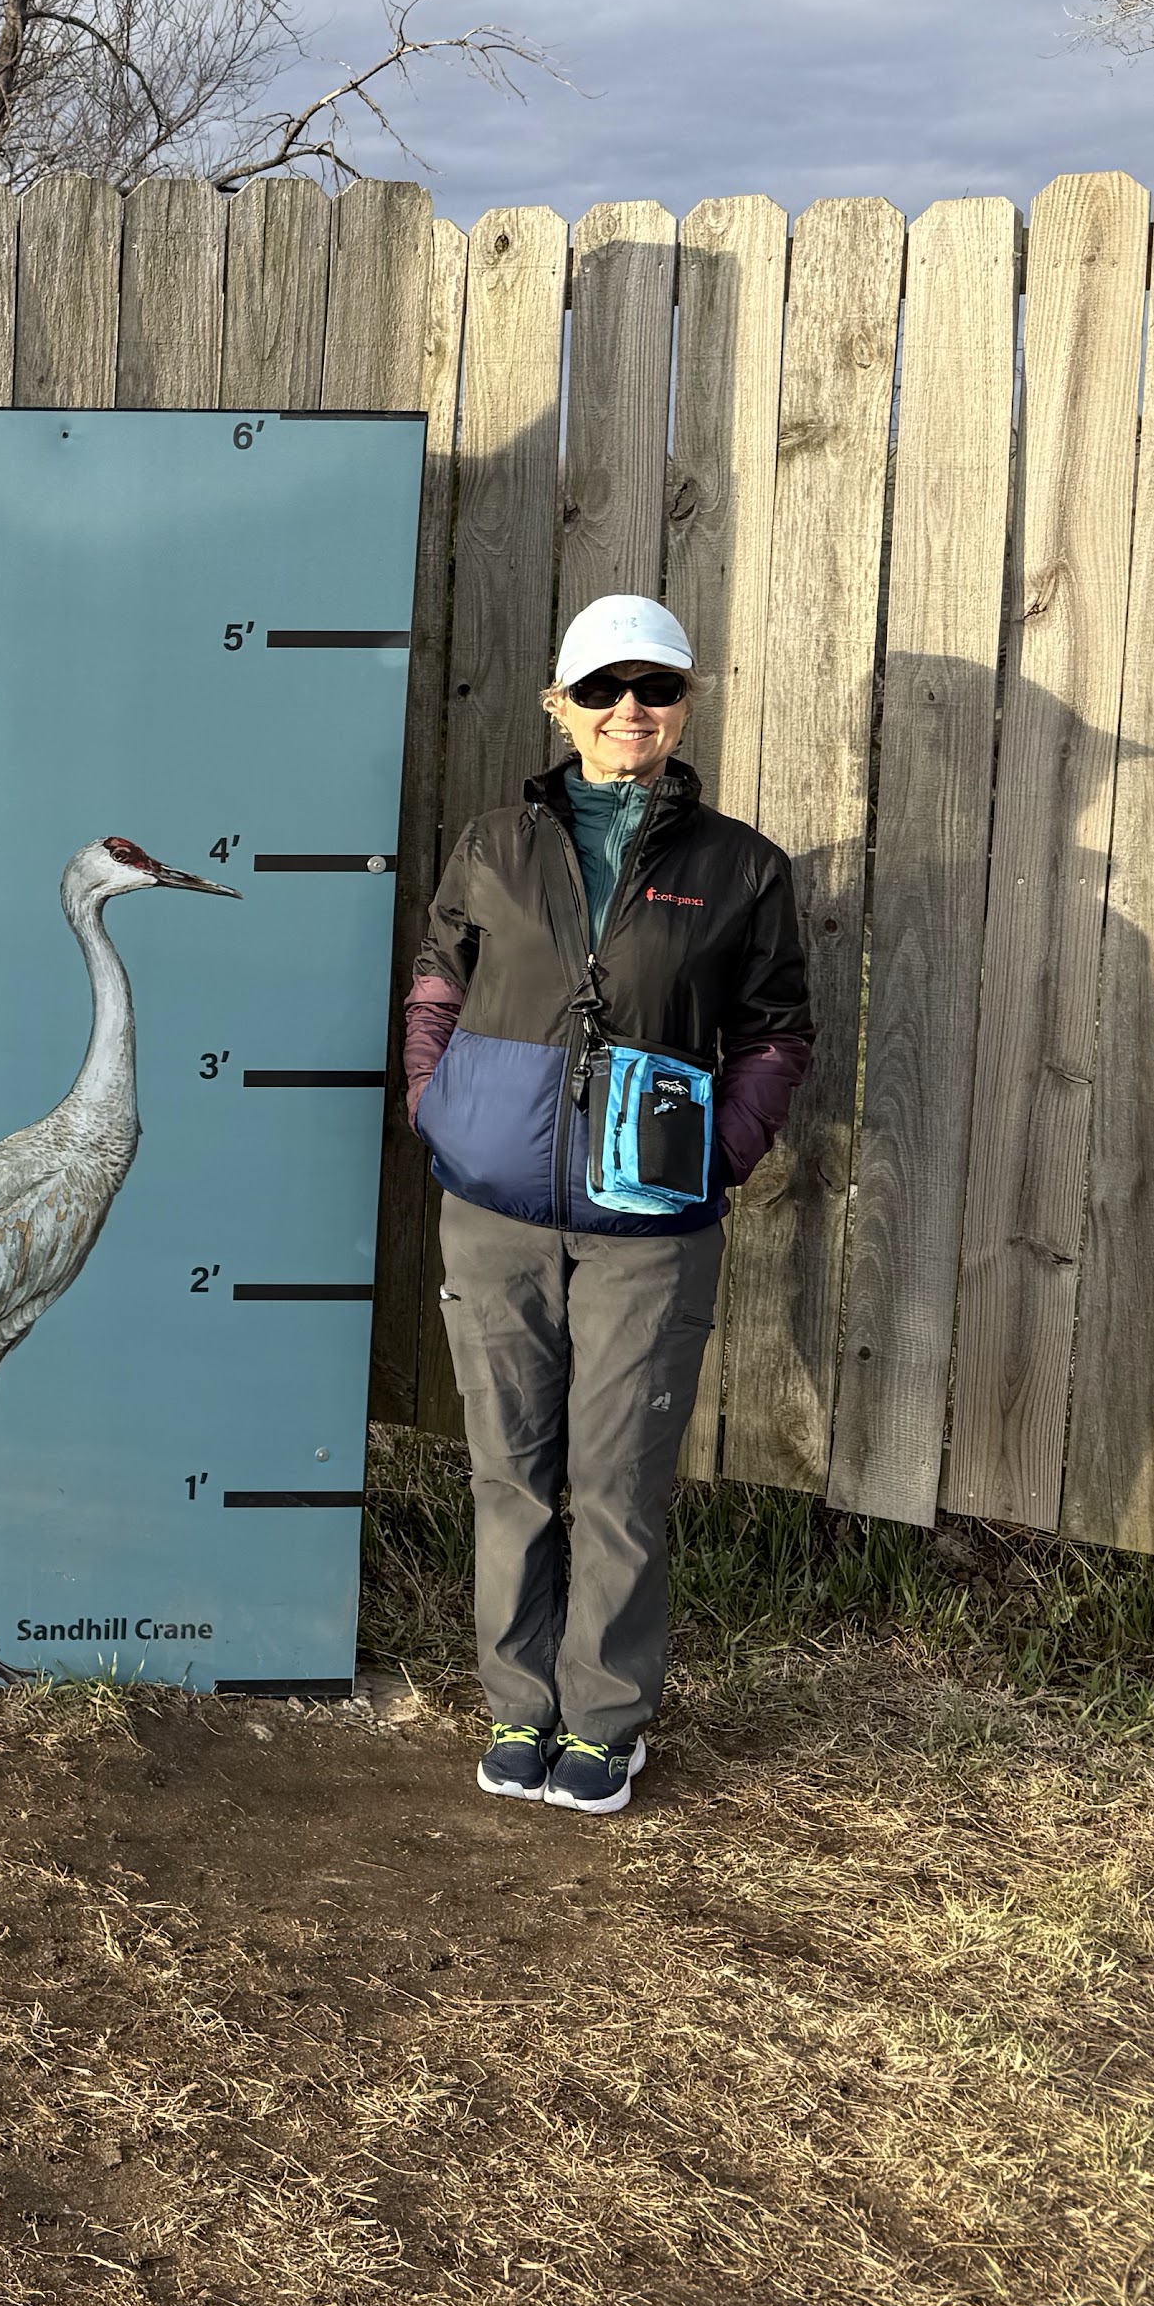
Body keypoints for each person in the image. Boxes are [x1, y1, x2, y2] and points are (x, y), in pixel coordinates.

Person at [400, 594, 813, 1816]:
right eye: (600, 690)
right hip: (495, 1211)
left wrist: (720, 1153)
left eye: (653, 688)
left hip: (648, 1224)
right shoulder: (492, 845)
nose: (627, 710)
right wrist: (437, 1103)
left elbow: (775, 1031)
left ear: (684, 704)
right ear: (558, 707)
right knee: (509, 1469)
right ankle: (518, 1706)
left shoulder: (738, 867)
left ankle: (603, 1719)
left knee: (621, 1476)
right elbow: (436, 981)